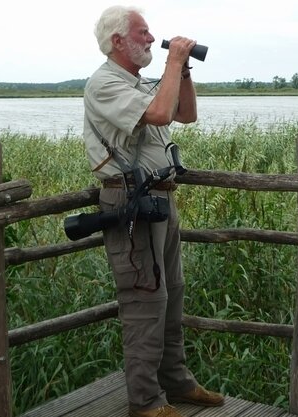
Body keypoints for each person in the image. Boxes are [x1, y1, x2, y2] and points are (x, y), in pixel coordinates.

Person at [82, 6, 224, 417]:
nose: (151, 38)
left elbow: (185, 114)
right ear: (117, 42)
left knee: (172, 294)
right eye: (143, 33)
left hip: (160, 198)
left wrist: (181, 73)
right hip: (130, 203)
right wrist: (174, 58)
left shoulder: (140, 84)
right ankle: (144, 402)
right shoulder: (104, 84)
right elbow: (161, 113)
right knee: (145, 298)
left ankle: (176, 383)